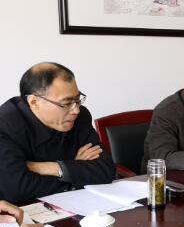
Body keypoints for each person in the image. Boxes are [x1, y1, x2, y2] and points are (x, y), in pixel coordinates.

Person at [0, 62, 116, 203]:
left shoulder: (80, 117)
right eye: (66, 103)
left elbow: (106, 170)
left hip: (76, 205)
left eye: (77, 100)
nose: (76, 110)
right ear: (34, 102)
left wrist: (54, 168)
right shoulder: (5, 125)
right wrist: (74, 170)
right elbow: (17, 189)